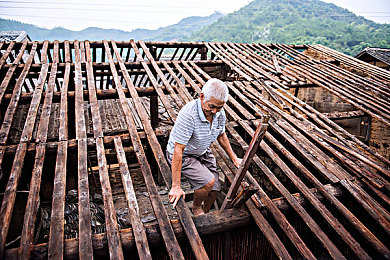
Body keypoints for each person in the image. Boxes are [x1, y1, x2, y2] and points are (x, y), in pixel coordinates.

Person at [166, 78, 242, 216]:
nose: (214, 111)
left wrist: (234, 158)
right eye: (211, 106)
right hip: (185, 154)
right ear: (201, 96)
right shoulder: (188, 115)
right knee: (208, 182)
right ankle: (196, 208)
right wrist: (176, 186)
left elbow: (221, 135)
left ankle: (206, 212)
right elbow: (178, 150)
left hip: (201, 150)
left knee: (215, 188)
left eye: (219, 107)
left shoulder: (219, 113)